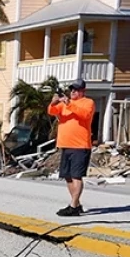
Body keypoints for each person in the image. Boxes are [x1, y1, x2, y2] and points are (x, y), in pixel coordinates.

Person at [47, 78, 95, 217]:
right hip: (65, 144)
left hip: (80, 145)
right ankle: (77, 204)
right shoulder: (64, 104)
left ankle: (73, 205)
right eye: (72, 89)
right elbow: (51, 111)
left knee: (76, 176)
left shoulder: (88, 103)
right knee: (67, 176)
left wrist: (69, 103)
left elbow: (84, 115)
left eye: (76, 89)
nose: (73, 92)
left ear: (82, 91)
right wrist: (54, 101)